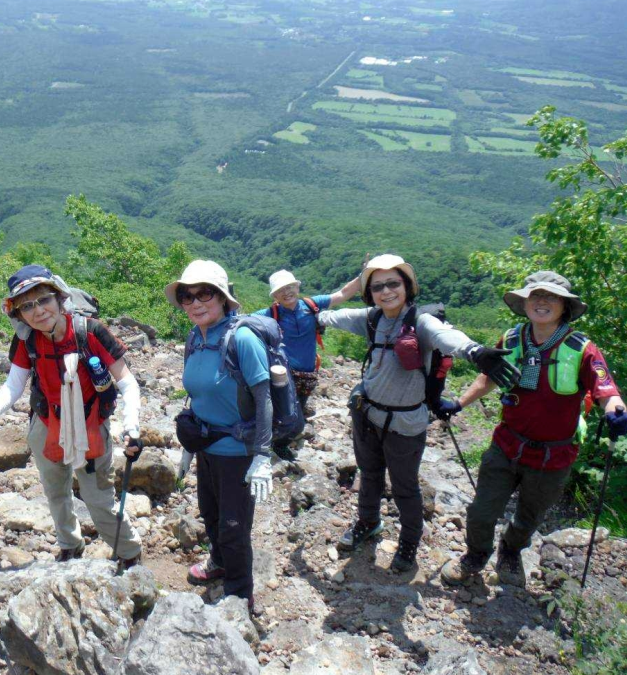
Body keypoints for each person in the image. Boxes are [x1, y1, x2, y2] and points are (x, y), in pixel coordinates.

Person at [316, 254, 521, 572]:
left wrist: (475, 351)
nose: (386, 291)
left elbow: (445, 337)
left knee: (405, 486)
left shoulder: (420, 321)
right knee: (369, 476)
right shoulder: (371, 318)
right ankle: (368, 523)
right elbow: (334, 318)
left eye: (393, 283)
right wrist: (309, 317)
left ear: (407, 286)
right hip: (367, 414)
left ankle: (410, 541)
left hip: (406, 422)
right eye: (378, 286)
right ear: (371, 292)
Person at [440, 271, 627, 588]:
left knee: (528, 517)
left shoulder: (582, 349)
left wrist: (617, 412)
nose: (542, 302)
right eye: (536, 296)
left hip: (553, 456)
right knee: (481, 511)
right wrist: (458, 404)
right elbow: (488, 379)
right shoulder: (512, 339)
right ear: (526, 302)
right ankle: (475, 556)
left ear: (564, 306)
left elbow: (605, 389)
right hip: (506, 445)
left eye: (551, 297)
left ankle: (511, 552)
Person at [0, 265, 142, 565]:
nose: (38, 311)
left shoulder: (90, 331)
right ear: (18, 314)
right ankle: (69, 544)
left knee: (99, 500)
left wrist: (131, 426)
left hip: (91, 425)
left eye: (43, 299)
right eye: (27, 305)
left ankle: (129, 553)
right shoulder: (27, 339)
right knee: (55, 491)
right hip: (46, 422)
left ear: (60, 298)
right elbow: (14, 384)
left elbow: (127, 382)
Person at [168, 260, 274, 608]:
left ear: (223, 297)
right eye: (187, 296)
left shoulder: (240, 339)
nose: (195, 303)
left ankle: (240, 597)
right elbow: (198, 393)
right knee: (210, 514)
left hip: (237, 453)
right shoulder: (195, 338)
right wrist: (188, 446)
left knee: (233, 526)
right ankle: (218, 563)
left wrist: (262, 455)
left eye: (205, 294)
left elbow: (264, 399)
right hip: (206, 447)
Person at [255, 268, 361, 460]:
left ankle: (279, 440)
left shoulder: (311, 305)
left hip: (309, 373)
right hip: (284, 375)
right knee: (290, 416)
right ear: (275, 296)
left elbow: (342, 294)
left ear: (297, 286)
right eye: (281, 290)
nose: (287, 292)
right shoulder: (271, 313)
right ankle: (274, 444)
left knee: (299, 408)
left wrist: (363, 277)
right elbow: (245, 321)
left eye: (290, 287)